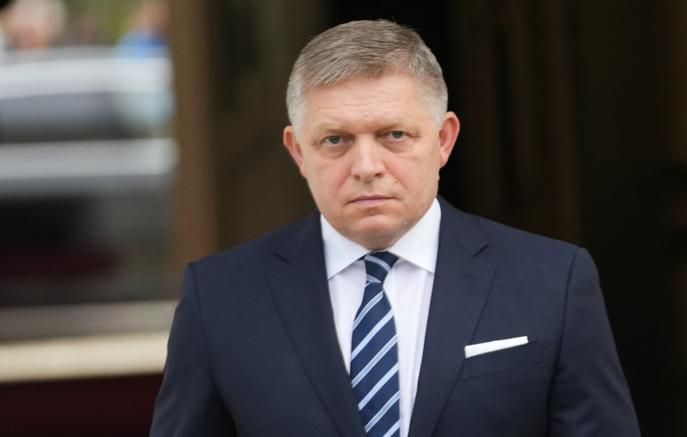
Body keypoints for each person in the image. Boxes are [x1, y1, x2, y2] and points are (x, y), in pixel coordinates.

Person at [150, 19, 640, 437]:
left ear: (444, 139)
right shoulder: (220, 298)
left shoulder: (553, 281)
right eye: (336, 140)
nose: (367, 166)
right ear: (298, 151)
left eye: (394, 135)